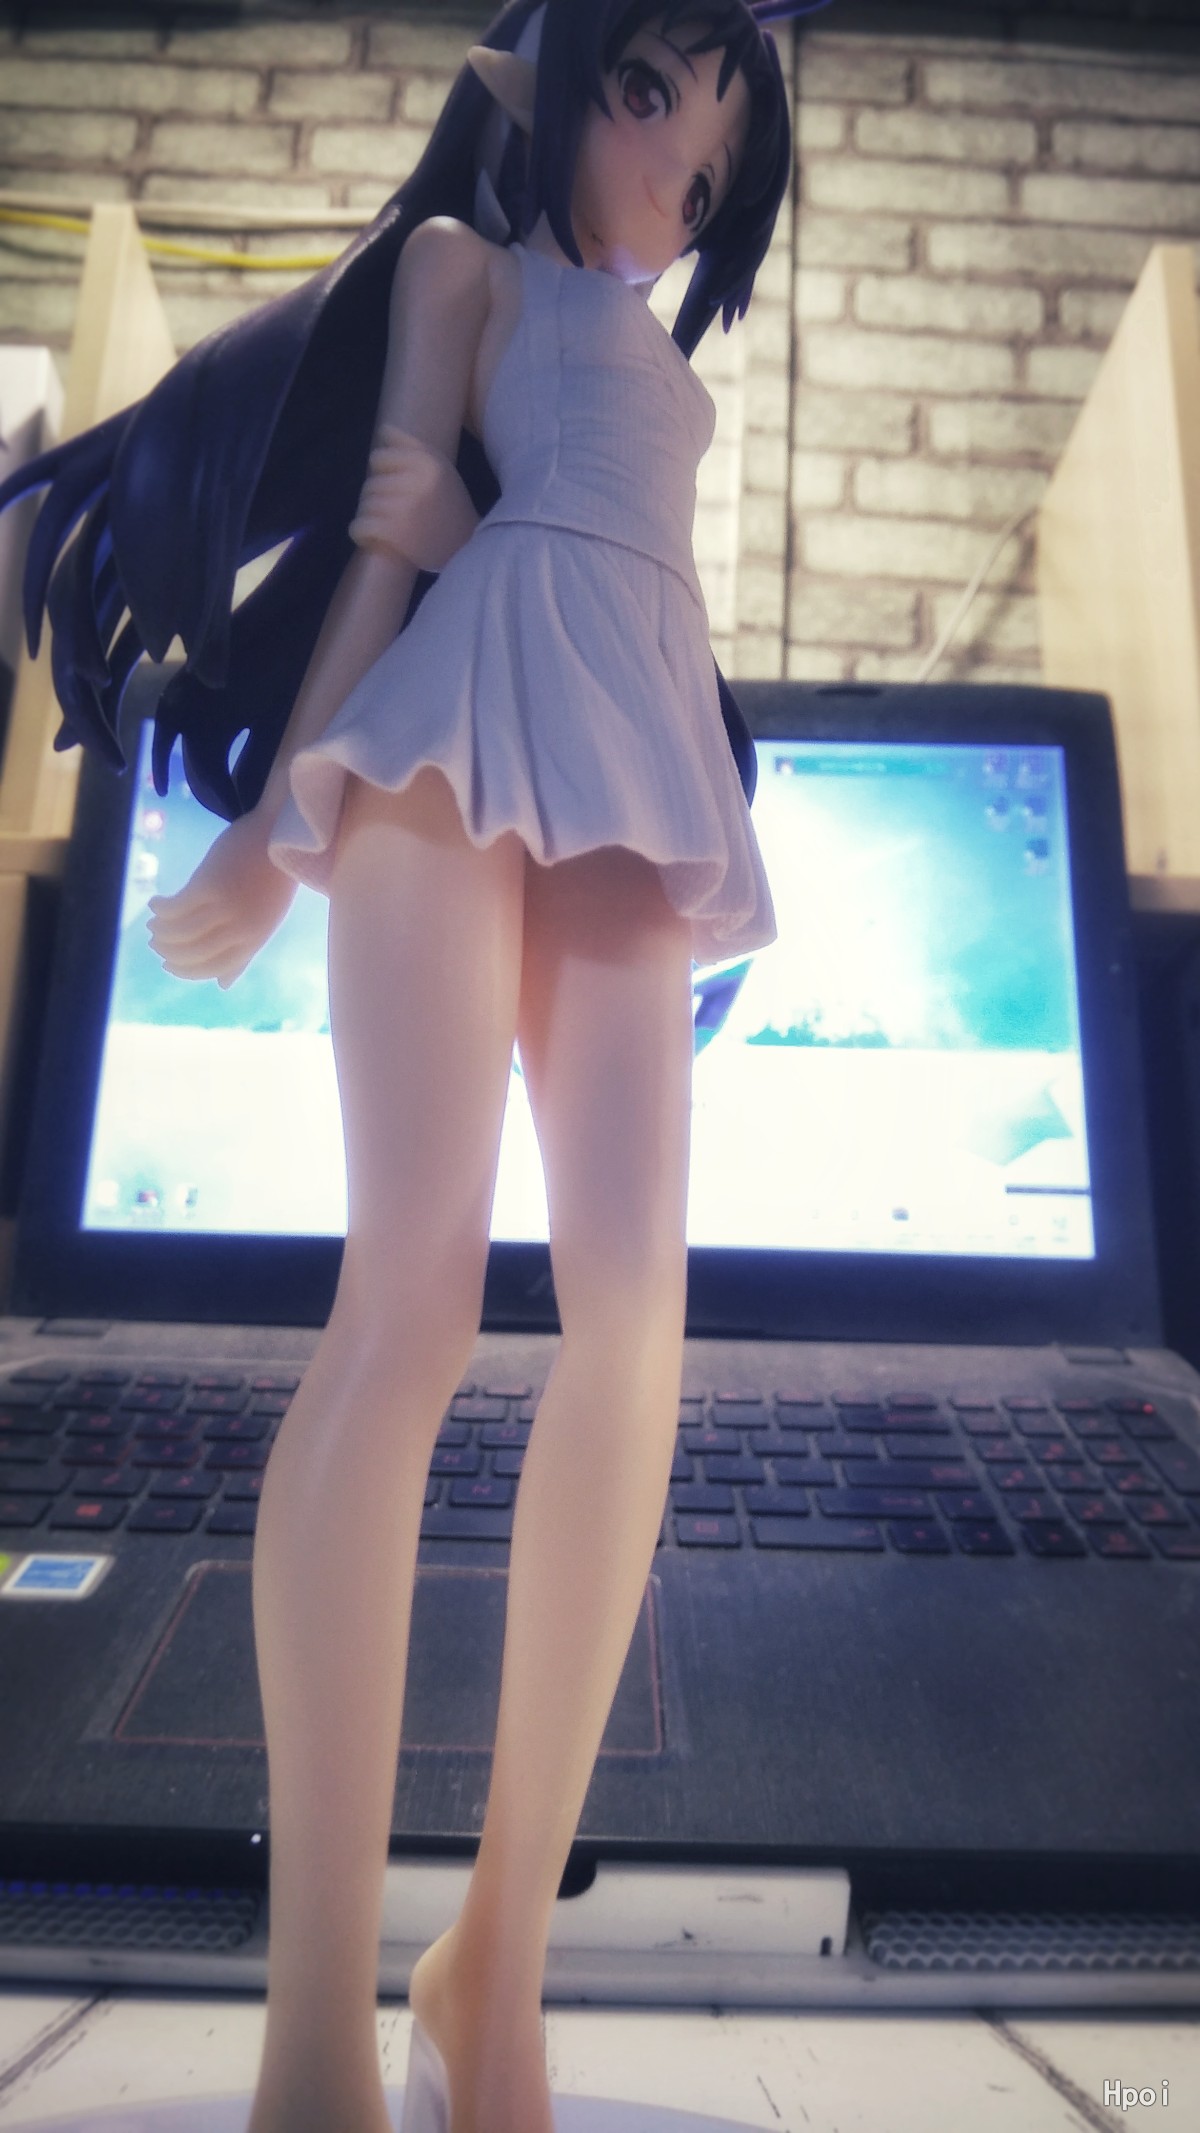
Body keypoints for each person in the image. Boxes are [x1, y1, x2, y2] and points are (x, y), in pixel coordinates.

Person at [0, 5, 829, 2127]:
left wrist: (505, 544)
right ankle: (311, 2029)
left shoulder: (672, 374)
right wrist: (268, 839)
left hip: (628, 761)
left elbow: (599, 561)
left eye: (712, 171)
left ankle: (495, 1974)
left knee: (637, 1321)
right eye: (647, 103)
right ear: (552, 80)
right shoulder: (468, 277)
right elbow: (386, 548)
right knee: (413, 1306)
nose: (671, 185)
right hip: (444, 750)